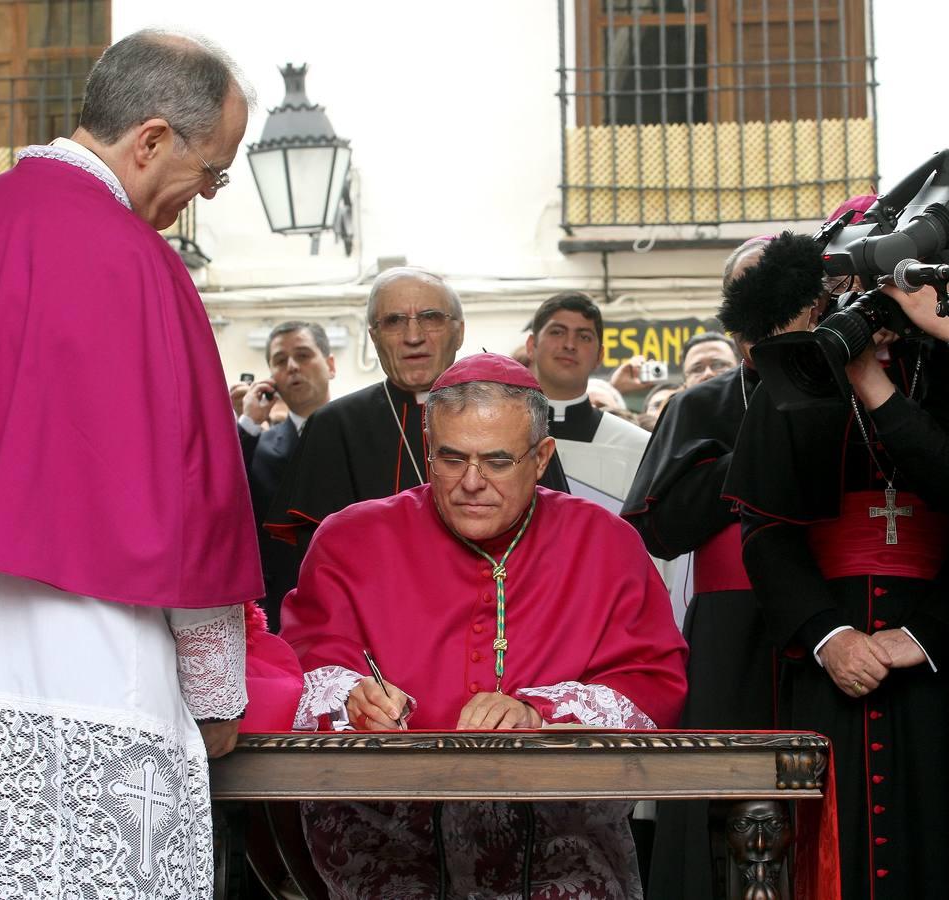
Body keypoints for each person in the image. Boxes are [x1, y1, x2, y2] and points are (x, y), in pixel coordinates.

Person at [0, 31, 261, 899]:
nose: (203, 198)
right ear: (150, 140)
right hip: (80, 650)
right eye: (211, 173)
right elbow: (190, 494)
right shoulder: (137, 262)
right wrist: (216, 691)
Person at [280, 353, 687, 899]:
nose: (472, 483)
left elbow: (651, 682)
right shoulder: (350, 539)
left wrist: (538, 714)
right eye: (451, 459)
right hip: (394, 848)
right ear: (429, 451)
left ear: (541, 457)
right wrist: (351, 700)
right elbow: (307, 663)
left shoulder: (604, 542)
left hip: (556, 856)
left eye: (497, 461)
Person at [726, 231, 949, 898]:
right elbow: (765, 532)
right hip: (826, 658)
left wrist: (923, 634)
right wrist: (829, 637)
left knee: (941, 830)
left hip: (935, 657)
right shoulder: (800, 375)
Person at [624, 234, 780, 899]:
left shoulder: (858, 386)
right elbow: (659, 528)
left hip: (835, 626)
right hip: (729, 628)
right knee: (720, 805)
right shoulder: (701, 404)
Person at [266, 267, 567, 552]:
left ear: (459, 332)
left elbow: (551, 534)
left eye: (430, 317)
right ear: (374, 336)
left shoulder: (512, 411)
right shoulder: (334, 425)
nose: (413, 337)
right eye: (394, 321)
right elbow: (315, 559)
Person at [232, 320, 334, 628]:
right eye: (279, 361)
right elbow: (224, 493)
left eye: (303, 355)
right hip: (279, 608)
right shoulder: (258, 443)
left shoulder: (361, 431)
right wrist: (248, 421)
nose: (292, 366)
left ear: (330, 365)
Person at [525, 291, 648, 504]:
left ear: (600, 356)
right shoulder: (502, 434)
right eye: (557, 332)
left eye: (584, 336)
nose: (569, 345)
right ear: (531, 346)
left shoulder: (637, 446)